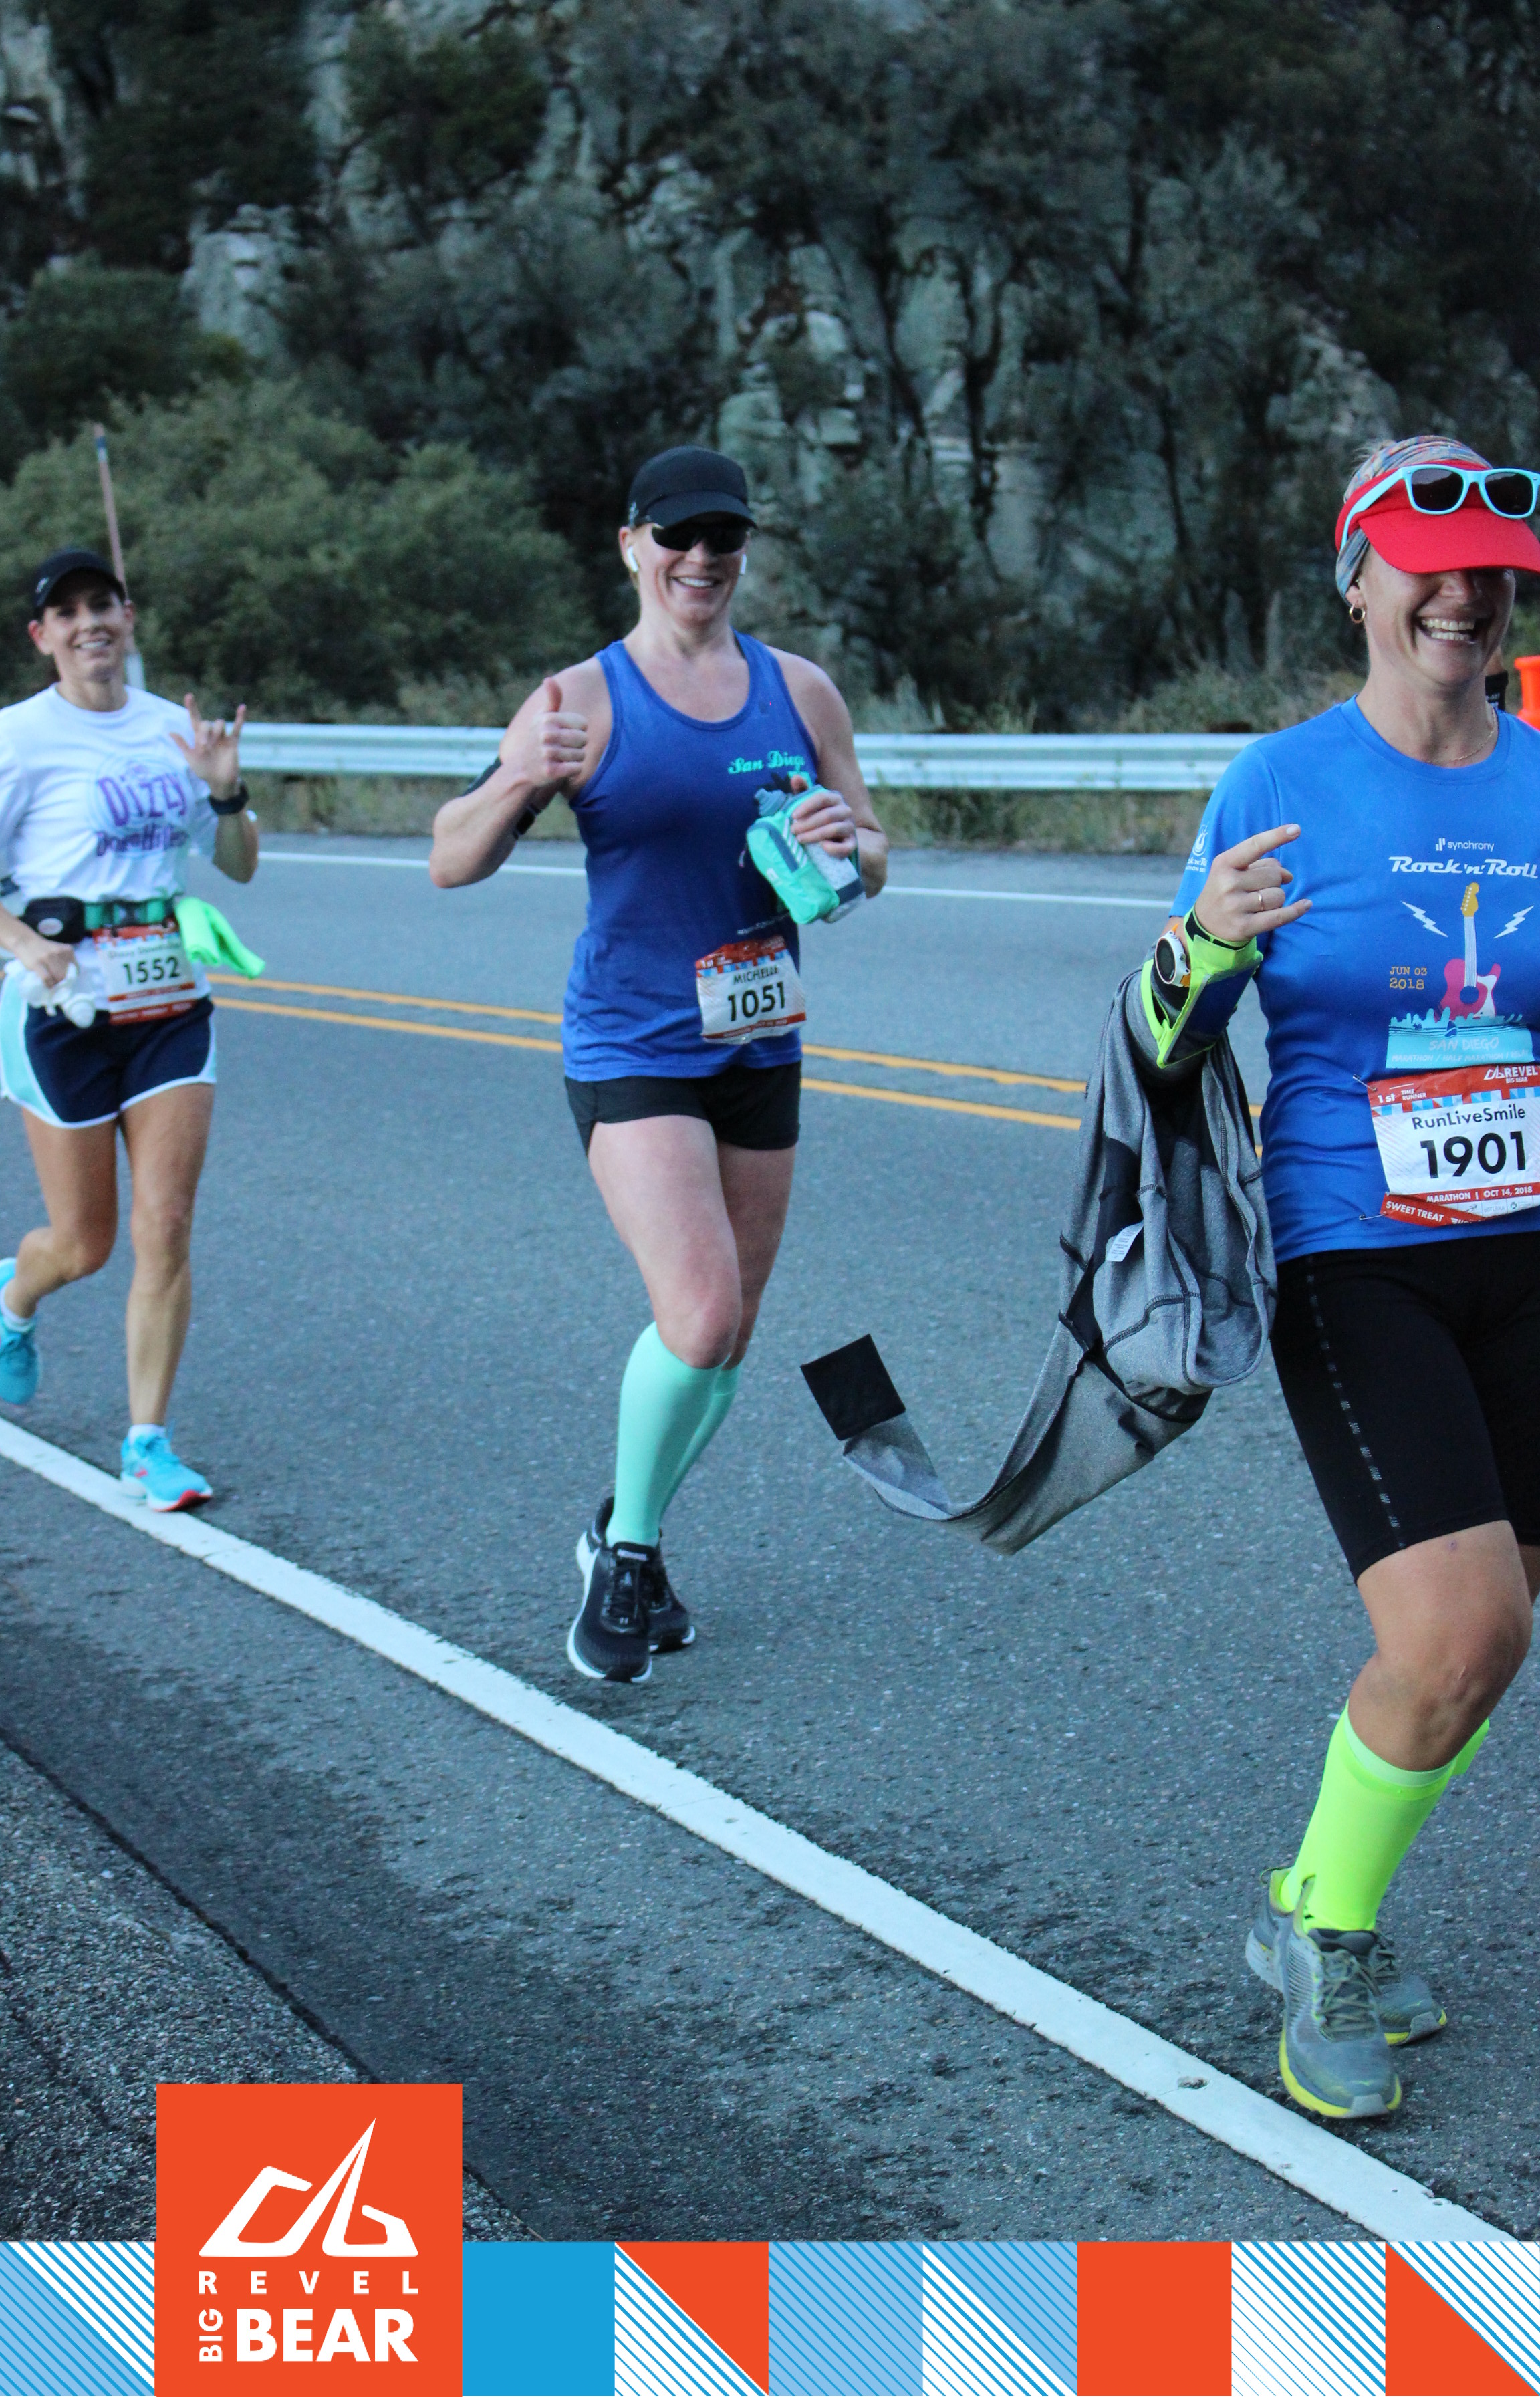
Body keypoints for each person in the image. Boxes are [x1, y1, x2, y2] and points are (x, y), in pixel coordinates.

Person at [1144, 436, 1540, 2118]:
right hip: (1358, 1250)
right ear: (1360, 580)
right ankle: (1325, 1935)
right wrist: (1204, 946)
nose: (1464, 598)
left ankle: (1314, 1893)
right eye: (1428, 571)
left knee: (1494, 1642)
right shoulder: (1281, 782)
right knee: (1459, 1627)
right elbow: (1160, 1036)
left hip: (1527, 1247)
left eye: (1492, 577)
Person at [430, 446, 888, 1683]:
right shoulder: (581, 697)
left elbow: (873, 855)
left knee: (725, 1342)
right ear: (632, 544)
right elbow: (450, 857)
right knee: (700, 1313)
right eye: (677, 535)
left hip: (760, 1038)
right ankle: (627, 1553)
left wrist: (846, 840)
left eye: (722, 537)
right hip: (633, 1042)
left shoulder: (801, 692)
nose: (701, 558)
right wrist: (522, 776)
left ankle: (624, 1526)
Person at [0, 547, 258, 1508]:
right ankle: (14, 1298)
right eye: (67, 613)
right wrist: (25, 941)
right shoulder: (19, 739)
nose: (89, 624)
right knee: (84, 1244)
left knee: (168, 1224)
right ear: (43, 637)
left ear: (129, 616)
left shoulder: (171, 730)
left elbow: (240, 863)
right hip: (60, 1010)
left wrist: (226, 791)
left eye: (102, 604)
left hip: (167, 1002)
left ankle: (148, 1443)